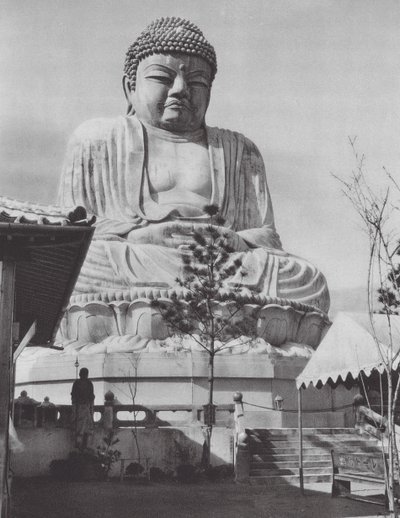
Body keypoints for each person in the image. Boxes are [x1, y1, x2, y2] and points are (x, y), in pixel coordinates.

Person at [57, 17, 329, 351]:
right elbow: (73, 231)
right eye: (162, 77)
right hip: (138, 260)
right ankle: (242, 331)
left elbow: (267, 236)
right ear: (130, 86)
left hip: (223, 266)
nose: (180, 89)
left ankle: (152, 326)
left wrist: (233, 240)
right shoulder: (97, 139)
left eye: (197, 81)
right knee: (80, 268)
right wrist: (140, 234)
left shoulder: (239, 149)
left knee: (304, 279)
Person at [71, 368, 95, 450]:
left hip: (86, 407)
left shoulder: (88, 383)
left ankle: (84, 445)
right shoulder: (77, 383)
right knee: (80, 427)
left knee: (86, 427)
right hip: (79, 407)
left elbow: (91, 397)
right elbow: (73, 397)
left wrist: (91, 408)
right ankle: (79, 445)